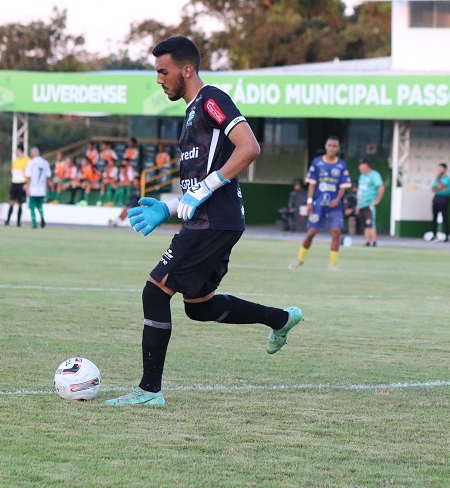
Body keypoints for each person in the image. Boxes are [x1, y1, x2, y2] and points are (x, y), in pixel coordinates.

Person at [105, 36, 302, 407]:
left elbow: (250, 147)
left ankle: (149, 391)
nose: (159, 79)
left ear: (187, 69)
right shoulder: (192, 112)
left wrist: (206, 187)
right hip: (212, 219)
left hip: (214, 220)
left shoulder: (212, 99)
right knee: (199, 306)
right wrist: (169, 208)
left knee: (155, 290)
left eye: (163, 71)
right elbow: (199, 187)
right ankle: (280, 319)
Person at [288, 136, 352, 271]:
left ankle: (333, 264)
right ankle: (300, 259)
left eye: (335, 146)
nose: (332, 148)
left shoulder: (341, 165)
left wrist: (338, 199)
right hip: (318, 204)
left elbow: (343, 186)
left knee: (336, 232)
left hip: (335, 205)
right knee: (311, 233)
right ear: (326, 146)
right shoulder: (317, 162)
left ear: (338, 148)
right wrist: (310, 202)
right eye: (330, 145)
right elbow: (312, 184)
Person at [357, 158, 385, 246]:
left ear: (366, 165)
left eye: (361, 165)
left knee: (370, 223)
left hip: (370, 204)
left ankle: (374, 241)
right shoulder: (361, 176)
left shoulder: (374, 175)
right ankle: (367, 241)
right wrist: (358, 204)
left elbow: (381, 187)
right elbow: (360, 191)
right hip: (362, 204)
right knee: (365, 224)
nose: (359, 167)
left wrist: (377, 200)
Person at [24, 147, 52, 229]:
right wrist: (46, 186)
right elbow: (48, 176)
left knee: (32, 206)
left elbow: (28, 176)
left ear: (32, 154)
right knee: (40, 206)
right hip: (42, 188)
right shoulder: (45, 163)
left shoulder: (31, 163)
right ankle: (42, 217)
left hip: (33, 188)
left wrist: (27, 188)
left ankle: (34, 223)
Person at [5, 144, 30, 226]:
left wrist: (27, 184)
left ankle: (18, 222)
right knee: (11, 201)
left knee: (20, 203)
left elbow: (28, 173)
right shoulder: (15, 160)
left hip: (22, 183)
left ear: (20, 150)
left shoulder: (27, 160)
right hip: (14, 183)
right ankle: (7, 220)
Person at [430, 163, 450, 242]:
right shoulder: (437, 179)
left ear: (445, 169)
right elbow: (433, 188)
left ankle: (447, 235)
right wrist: (439, 188)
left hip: (444, 198)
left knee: (444, 217)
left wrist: (439, 184)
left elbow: (442, 187)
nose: (440, 170)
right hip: (437, 197)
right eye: (439, 168)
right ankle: (434, 235)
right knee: (434, 217)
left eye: (441, 168)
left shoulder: (447, 179)